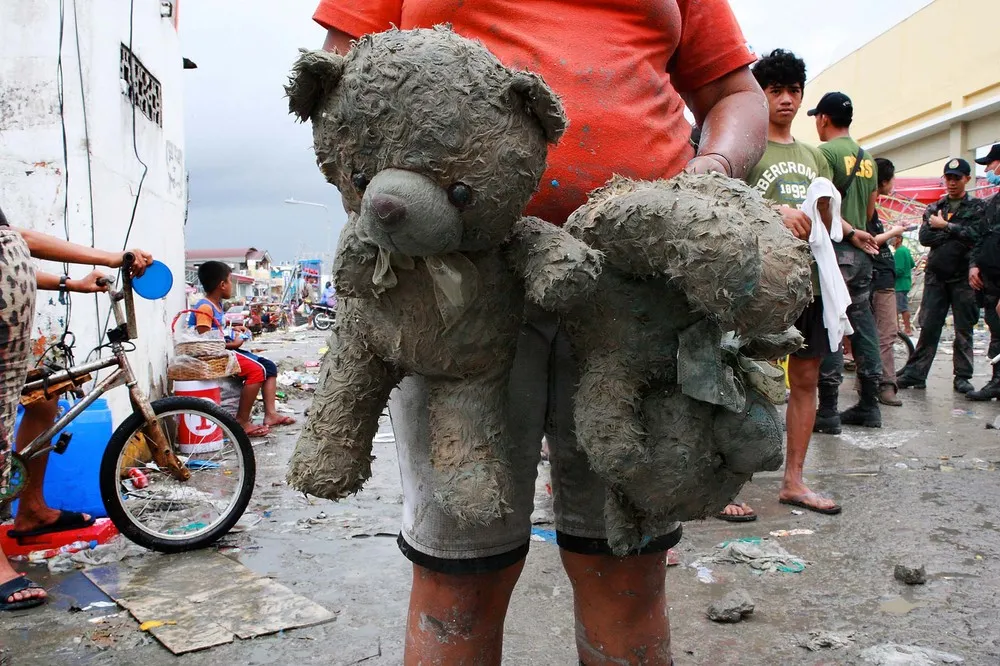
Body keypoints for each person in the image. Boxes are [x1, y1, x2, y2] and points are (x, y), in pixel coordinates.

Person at [314, 3, 768, 664]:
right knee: (458, 577)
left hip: (636, 295)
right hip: (449, 294)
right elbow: (338, 79)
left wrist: (716, 165)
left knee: (628, 567)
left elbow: (733, 92)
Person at [1, 206, 152, 610]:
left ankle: (32, 511)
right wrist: (110, 257)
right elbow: (21, 241)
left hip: (8, 340)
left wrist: (72, 283)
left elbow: (13, 256)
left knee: (44, 399)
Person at [722, 49, 838, 521]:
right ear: (761, 94)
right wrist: (774, 211)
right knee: (744, 378)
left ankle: (794, 481)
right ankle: (728, 485)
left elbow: (828, 223)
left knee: (805, 380)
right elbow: (723, 204)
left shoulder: (815, 156)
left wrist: (827, 214)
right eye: (776, 91)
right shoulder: (745, 148)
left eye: (794, 90)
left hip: (809, 284)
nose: (786, 99)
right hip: (760, 287)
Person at [809, 91, 882, 433]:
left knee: (832, 324)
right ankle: (870, 406)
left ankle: (828, 411)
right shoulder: (868, 159)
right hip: (863, 254)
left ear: (823, 118)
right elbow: (870, 210)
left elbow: (822, 207)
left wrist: (846, 231)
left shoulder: (824, 153)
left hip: (836, 251)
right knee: (863, 324)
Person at [896, 158, 986, 393]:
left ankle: (962, 376)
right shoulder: (935, 207)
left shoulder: (977, 207)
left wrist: (945, 227)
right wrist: (956, 233)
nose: (952, 183)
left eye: (957, 178)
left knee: (963, 328)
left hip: (963, 277)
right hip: (936, 277)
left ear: (966, 179)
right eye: (948, 178)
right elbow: (925, 237)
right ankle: (916, 373)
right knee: (929, 327)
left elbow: (977, 236)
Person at [190, 262, 295, 437]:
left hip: (222, 350)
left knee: (269, 367)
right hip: (213, 355)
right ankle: (242, 421)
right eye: (230, 281)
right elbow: (204, 340)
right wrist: (234, 344)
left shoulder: (216, 304)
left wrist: (233, 329)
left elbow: (216, 331)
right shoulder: (205, 307)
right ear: (222, 284)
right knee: (257, 371)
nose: (231, 285)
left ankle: (271, 414)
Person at [869, 158, 908, 406]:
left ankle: (871, 384)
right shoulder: (866, 208)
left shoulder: (869, 208)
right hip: (877, 279)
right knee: (886, 334)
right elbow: (870, 240)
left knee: (876, 333)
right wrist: (894, 232)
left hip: (877, 277)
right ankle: (884, 384)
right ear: (883, 181)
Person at [967, 144, 1000, 401]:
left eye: (990, 164)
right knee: (996, 330)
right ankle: (997, 380)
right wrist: (974, 265)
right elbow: (981, 237)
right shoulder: (993, 202)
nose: (988, 169)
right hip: (990, 280)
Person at [894, 234, 915, 336]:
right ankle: (900, 329)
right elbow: (912, 264)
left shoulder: (899, 252)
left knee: (901, 308)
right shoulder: (906, 250)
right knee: (901, 306)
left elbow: (899, 270)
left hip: (899, 284)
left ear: (899, 239)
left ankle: (906, 330)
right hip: (906, 282)